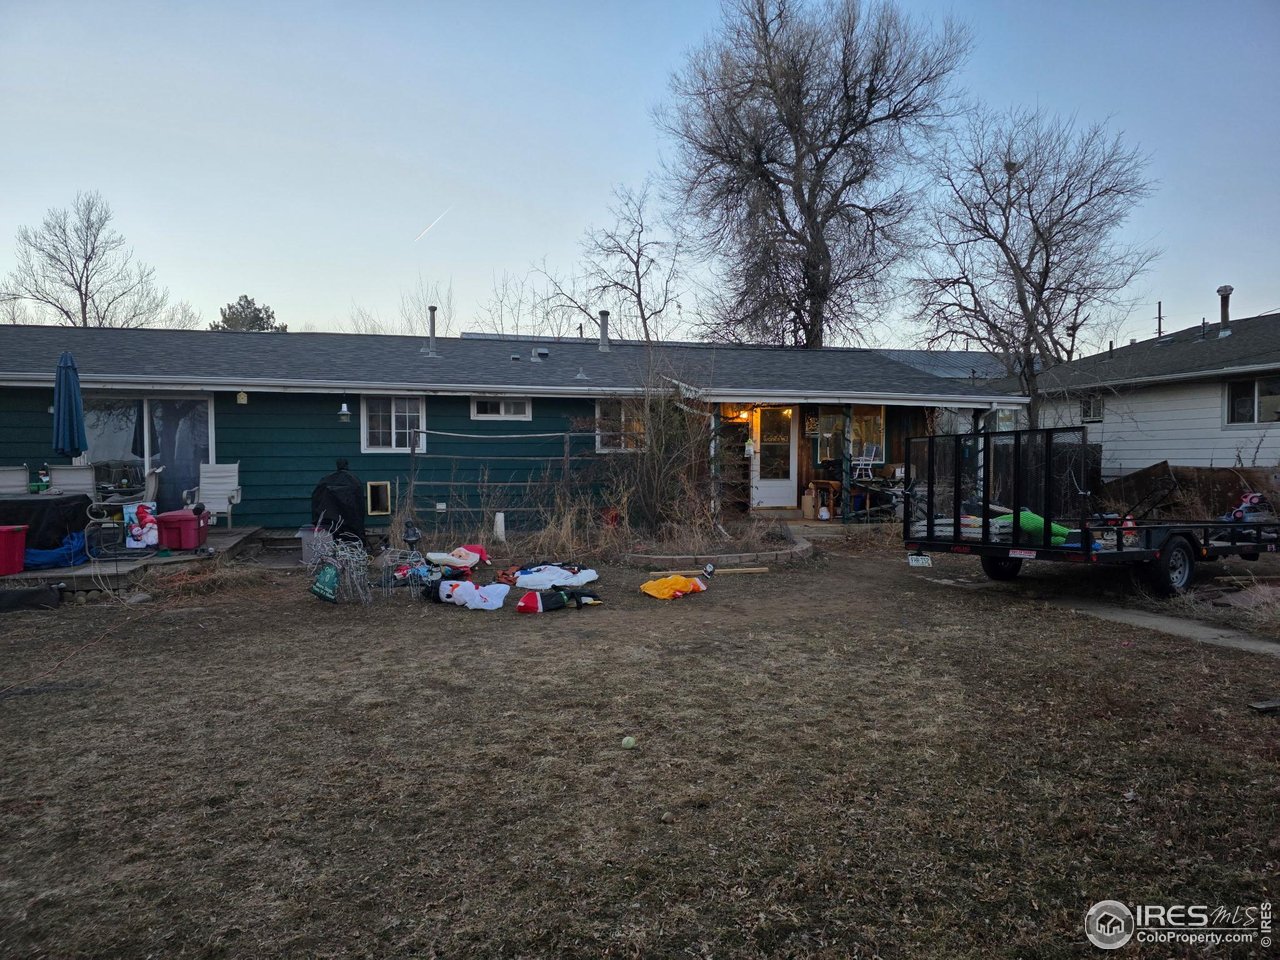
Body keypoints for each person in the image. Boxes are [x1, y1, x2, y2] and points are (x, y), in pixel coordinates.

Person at [311, 458, 365, 538]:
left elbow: (316, 498)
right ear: (347, 465)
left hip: (329, 524)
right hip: (351, 526)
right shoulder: (354, 480)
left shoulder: (325, 480)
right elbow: (359, 503)